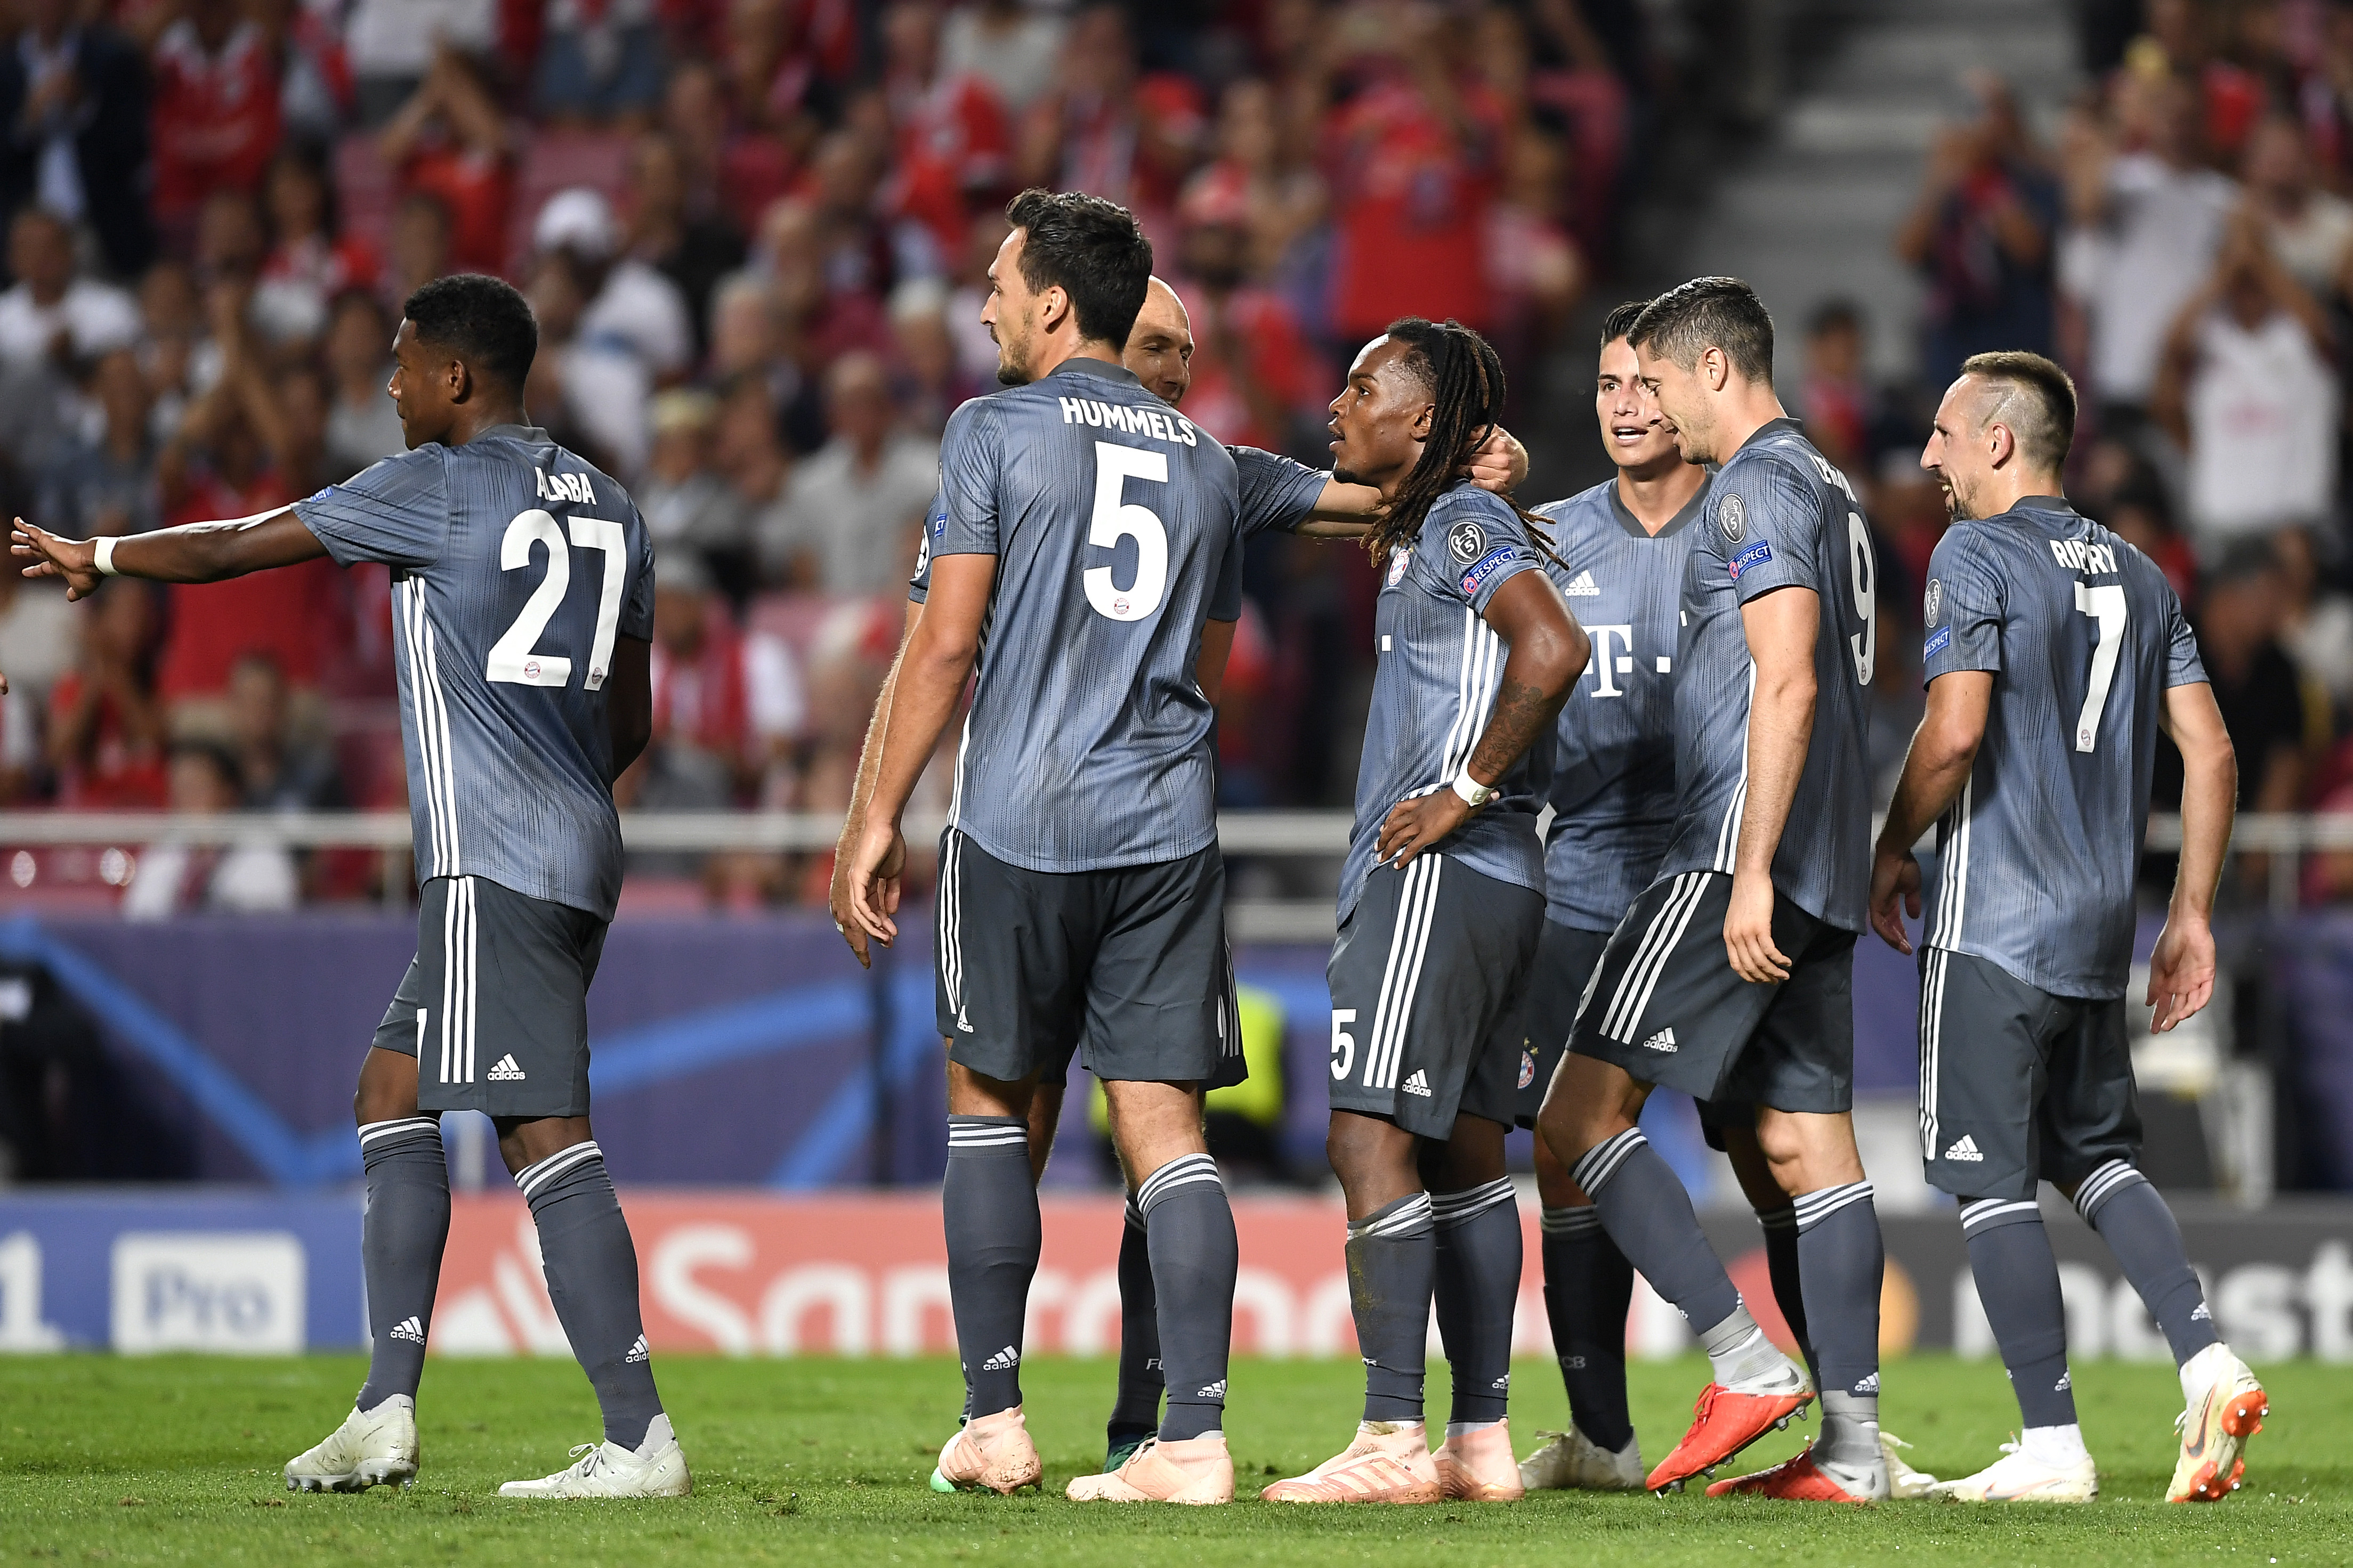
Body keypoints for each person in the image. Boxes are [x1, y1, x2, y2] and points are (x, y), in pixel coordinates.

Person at [12, 272, 686, 1500]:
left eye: (403, 361)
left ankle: (640, 1436)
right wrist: (551, 777)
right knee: (392, 1088)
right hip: (577, 839)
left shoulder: (430, 486)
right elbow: (630, 717)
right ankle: (384, 1406)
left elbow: (232, 544)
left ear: (458, 378)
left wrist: (96, 552)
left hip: (494, 856)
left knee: (541, 1129)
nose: (390, 383)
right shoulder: (615, 503)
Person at [837, 189, 1246, 1508]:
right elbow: (1211, 662)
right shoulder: (1208, 461)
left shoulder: (990, 429)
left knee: (992, 1111)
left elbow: (945, 642)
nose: (985, 301)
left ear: (1057, 303)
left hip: (1019, 820)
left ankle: (997, 1418)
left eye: (1001, 281)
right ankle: (1190, 1436)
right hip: (1167, 830)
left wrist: (874, 815)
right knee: (1167, 1133)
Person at [1873, 350, 2266, 1504]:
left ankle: (2051, 1439)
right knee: (2095, 1155)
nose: (1932, 457)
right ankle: (2208, 1354)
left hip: (1991, 921)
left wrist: (1891, 844)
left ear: (2000, 440)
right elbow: (2215, 752)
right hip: (2098, 932)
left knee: (1988, 1178)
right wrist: (2186, 911)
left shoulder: (1976, 553)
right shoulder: (2145, 577)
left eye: (1946, 434)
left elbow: (1952, 733)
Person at [1536, 276, 1887, 1503]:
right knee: (1804, 1143)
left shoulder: (1752, 482)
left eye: (1666, 378)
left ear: (1716, 372)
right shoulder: (1832, 487)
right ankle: (1855, 1452)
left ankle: (1743, 1358)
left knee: (1574, 1117)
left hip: (1741, 851)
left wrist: (1744, 866)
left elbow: (1786, 682)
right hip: (1826, 857)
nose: (1653, 401)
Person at [1262, 319, 1587, 1507]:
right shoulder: (1438, 522)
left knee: (1365, 1136)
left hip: (1442, 873)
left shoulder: (1456, 521)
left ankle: (1393, 1434)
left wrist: (1462, 788)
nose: (1338, 403)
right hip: (1502, 883)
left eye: (1365, 387)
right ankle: (1482, 1441)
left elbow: (1553, 648)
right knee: (1464, 1151)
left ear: (1424, 418)